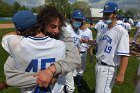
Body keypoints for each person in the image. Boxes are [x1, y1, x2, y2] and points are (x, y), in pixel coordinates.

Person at [1, 6, 81, 92]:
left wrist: (51, 70)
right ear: (42, 24)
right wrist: (45, 78)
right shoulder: (60, 45)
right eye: (53, 26)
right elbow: (12, 76)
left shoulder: (62, 35)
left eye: (59, 26)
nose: (57, 31)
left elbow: (75, 59)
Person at [82, 2, 130, 93]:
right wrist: (87, 41)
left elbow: (125, 55)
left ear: (115, 14)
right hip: (99, 65)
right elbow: (97, 43)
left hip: (108, 68)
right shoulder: (103, 29)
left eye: (108, 14)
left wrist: (121, 74)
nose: (105, 16)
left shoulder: (121, 32)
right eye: (104, 13)